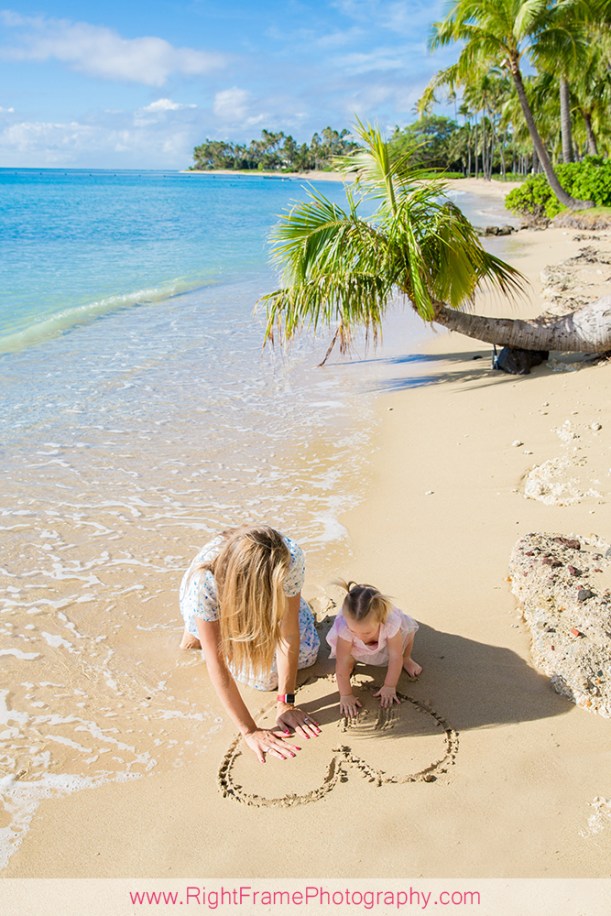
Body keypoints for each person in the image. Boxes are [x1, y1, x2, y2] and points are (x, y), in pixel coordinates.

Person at [179, 524, 321, 762]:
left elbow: (288, 633)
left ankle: (274, 607)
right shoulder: (205, 584)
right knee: (263, 679)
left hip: (252, 585)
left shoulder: (290, 556)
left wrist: (286, 702)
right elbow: (217, 664)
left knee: (308, 654)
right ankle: (198, 631)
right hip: (216, 593)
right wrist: (250, 730)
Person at [326, 581, 422, 718]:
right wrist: (346, 695)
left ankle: (407, 658)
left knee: (408, 633)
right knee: (346, 657)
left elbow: (395, 657)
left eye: (366, 633)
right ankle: (352, 662)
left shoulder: (389, 624)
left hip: (388, 640)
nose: (359, 636)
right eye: (354, 631)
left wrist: (389, 686)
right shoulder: (346, 629)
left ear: (380, 621)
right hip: (353, 648)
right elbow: (341, 661)